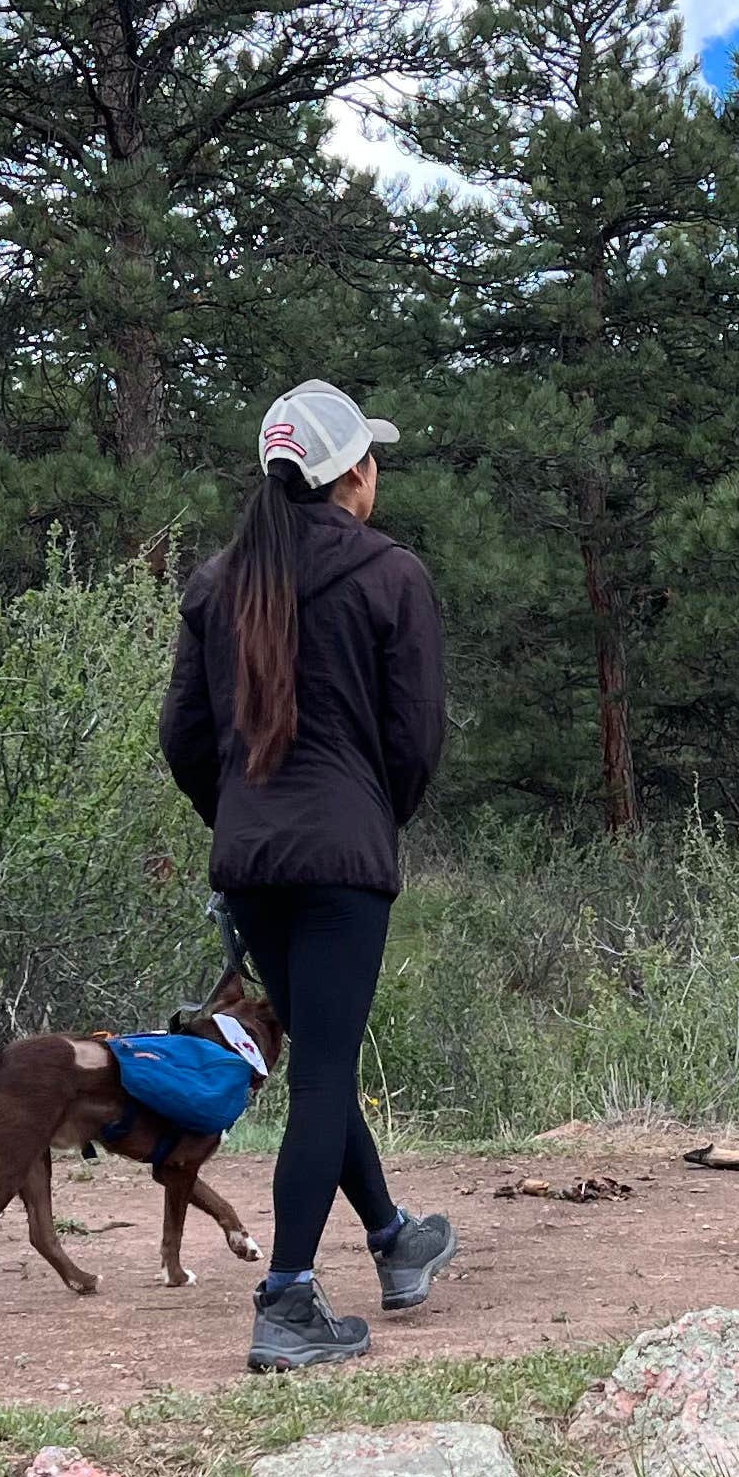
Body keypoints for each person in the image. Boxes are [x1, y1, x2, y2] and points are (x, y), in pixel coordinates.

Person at [158, 381, 459, 1370]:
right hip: (341, 860)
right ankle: (287, 1300)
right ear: (350, 475)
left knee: (325, 1053)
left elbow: (186, 739)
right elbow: (414, 741)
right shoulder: (390, 576)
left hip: (252, 861)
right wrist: (372, 822)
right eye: (371, 460)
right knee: (325, 1066)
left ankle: (393, 1238)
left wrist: (240, 821)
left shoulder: (216, 585)